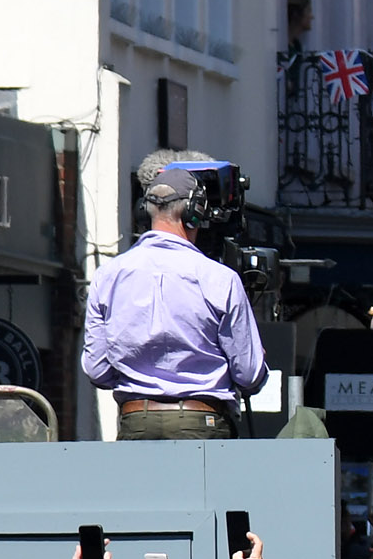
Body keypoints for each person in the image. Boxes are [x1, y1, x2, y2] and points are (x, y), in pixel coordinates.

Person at [78, 149, 266, 439]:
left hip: (136, 419)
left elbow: (97, 369)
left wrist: (138, 380)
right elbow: (249, 374)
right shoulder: (219, 278)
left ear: (145, 210)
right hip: (202, 420)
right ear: (196, 212)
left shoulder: (108, 276)